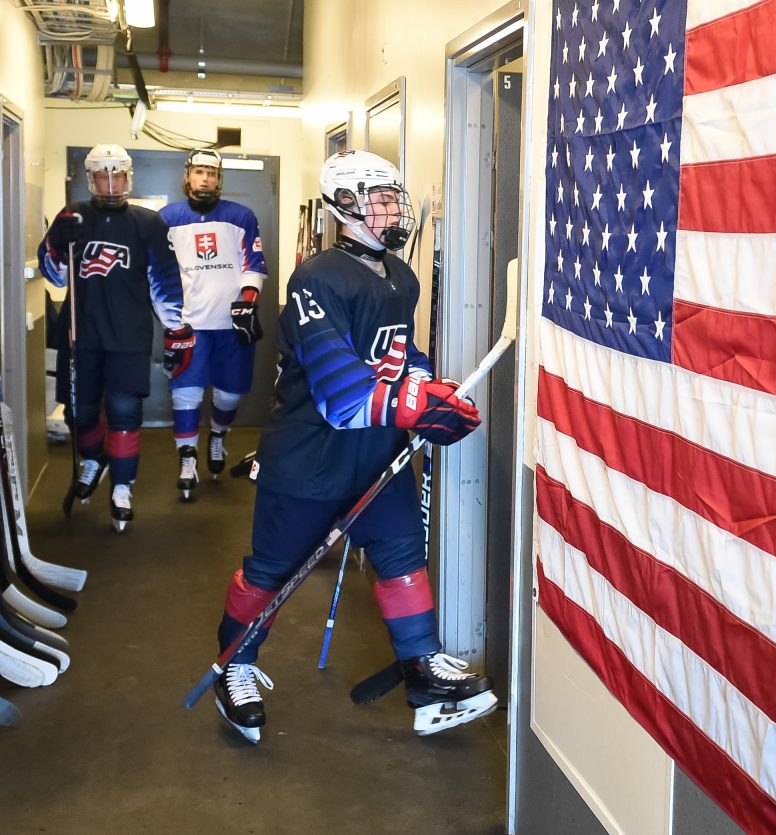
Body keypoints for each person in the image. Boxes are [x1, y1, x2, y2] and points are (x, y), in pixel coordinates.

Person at [210, 150, 492, 743]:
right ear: (345, 204)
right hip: (311, 453)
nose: (393, 207)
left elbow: (400, 356)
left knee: (401, 556)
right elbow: (342, 396)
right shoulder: (316, 278)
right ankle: (235, 666)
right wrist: (414, 405)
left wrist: (428, 388)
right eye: (379, 197)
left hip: (377, 451)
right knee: (270, 570)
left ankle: (422, 671)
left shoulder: (400, 275)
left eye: (394, 195)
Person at [38, 144, 192, 533]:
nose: (110, 184)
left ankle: (123, 487)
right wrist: (56, 241)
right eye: (102, 176)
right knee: (80, 412)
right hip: (81, 335)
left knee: (124, 413)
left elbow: (165, 284)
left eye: (117, 175)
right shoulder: (72, 215)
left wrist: (176, 330)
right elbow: (55, 277)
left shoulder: (148, 223)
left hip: (128, 337)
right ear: (90, 179)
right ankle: (94, 460)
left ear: (128, 177)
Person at [160, 149, 267, 500]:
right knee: (185, 395)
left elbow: (254, 263)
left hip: (232, 324)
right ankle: (187, 461)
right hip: (188, 326)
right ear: (187, 176)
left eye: (212, 173)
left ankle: (218, 436)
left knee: (229, 394)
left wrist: (248, 300)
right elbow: (157, 273)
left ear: (220, 179)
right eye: (200, 172)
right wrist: (169, 317)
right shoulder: (167, 218)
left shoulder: (241, 216)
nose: (206, 179)